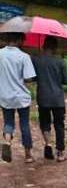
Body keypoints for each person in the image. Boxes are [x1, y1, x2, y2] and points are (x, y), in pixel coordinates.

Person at [32, 36, 67, 162]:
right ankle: (60, 153)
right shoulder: (60, 62)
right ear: (55, 48)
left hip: (43, 98)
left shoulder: (36, 60)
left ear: (43, 46)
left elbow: (32, 77)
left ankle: (48, 144)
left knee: (45, 123)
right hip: (58, 99)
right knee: (59, 125)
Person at [0, 32, 36, 163]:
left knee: (8, 122)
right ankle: (28, 155)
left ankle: (7, 141)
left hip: (5, 95)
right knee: (24, 124)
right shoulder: (24, 56)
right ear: (19, 40)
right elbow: (28, 78)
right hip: (21, 97)